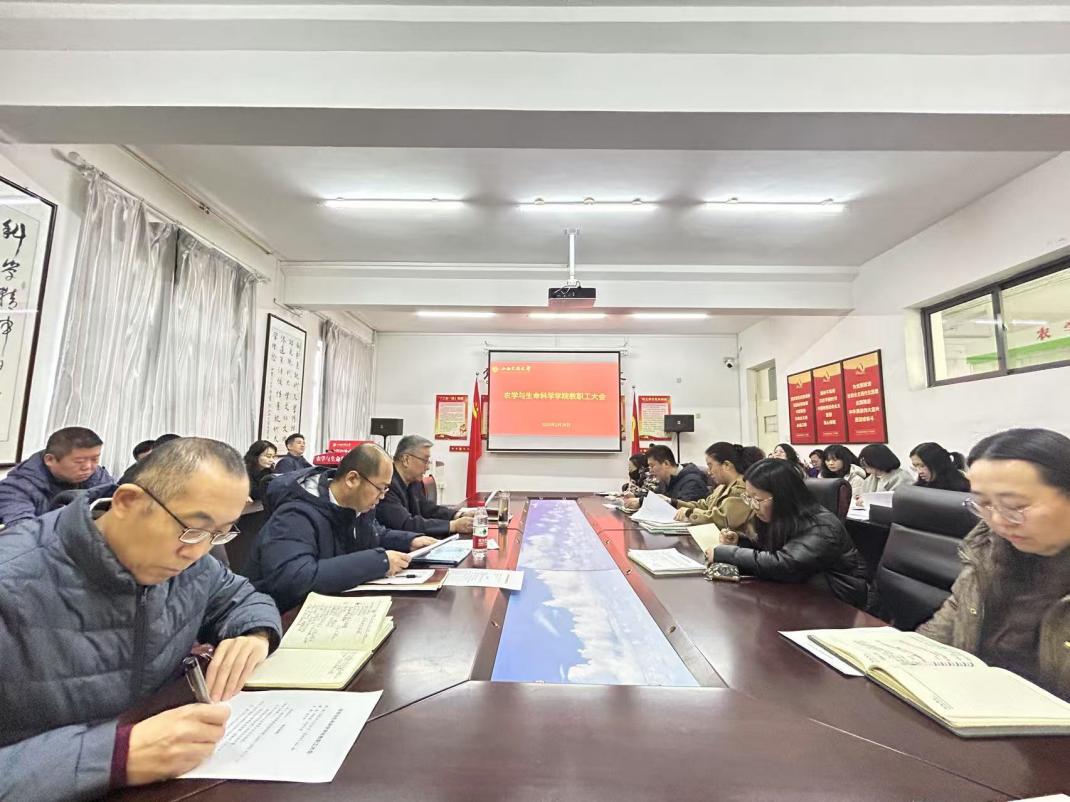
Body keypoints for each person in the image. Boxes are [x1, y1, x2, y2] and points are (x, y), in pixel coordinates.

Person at [0, 437, 282, 799]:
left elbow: (240, 596)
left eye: (217, 534)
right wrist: (114, 755)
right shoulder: (14, 580)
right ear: (127, 502)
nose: (197, 551)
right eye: (192, 528)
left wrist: (255, 634)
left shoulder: (190, 564)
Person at [918, 428, 1070, 701]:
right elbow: (946, 626)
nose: (998, 521)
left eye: (1015, 506)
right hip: (974, 703)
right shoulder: (987, 551)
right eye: (983, 504)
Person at [245, 443, 440, 613]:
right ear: (352, 479)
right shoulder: (295, 514)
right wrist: (379, 562)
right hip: (279, 619)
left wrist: (410, 540)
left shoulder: (356, 506)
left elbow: (374, 534)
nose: (382, 496)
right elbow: (295, 579)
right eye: (380, 488)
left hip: (328, 606)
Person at [708, 458, 872, 609]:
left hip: (839, 603)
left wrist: (727, 553)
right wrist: (739, 542)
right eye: (748, 497)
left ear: (783, 497)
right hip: (803, 596)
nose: (752, 506)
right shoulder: (781, 517)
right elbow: (770, 549)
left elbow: (785, 564)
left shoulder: (823, 526)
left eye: (757, 499)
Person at [0, 426, 115, 526]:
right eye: (79, 461)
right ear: (50, 460)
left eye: (95, 459)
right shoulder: (15, 489)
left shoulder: (97, 475)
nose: (88, 467)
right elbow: (24, 532)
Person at [376, 435, 474, 535]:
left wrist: (459, 515)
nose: (427, 467)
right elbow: (406, 524)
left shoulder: (413, 481)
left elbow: (428, 509)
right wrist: (452, 525)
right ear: (406, 459)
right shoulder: (386, 484)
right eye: (425, 461)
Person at [673, 442, 758, 534]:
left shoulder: (742, 489)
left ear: (726, 465)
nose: (709, 472)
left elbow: (723, 520)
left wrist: (690, 513)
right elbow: (705, 506)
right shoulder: (722, 487)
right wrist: (673, 502)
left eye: (710, 466)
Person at [623, 445, 708, 509]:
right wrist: (636, 496)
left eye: (652, 466)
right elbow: (656, 497)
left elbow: (684, 508)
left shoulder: (693, 481)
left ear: (666, 464)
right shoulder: (665, 480)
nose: (650, 470)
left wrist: (641, 502)